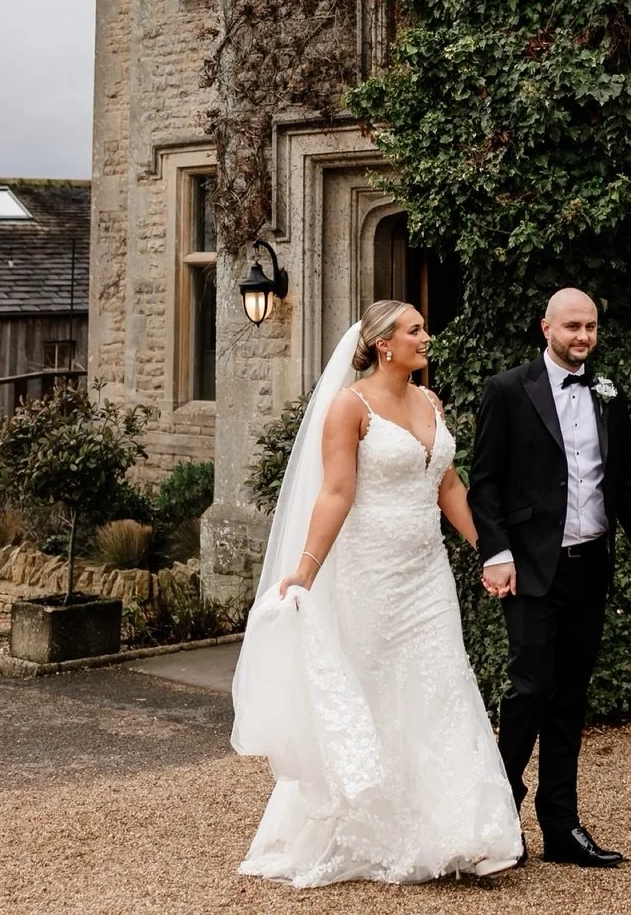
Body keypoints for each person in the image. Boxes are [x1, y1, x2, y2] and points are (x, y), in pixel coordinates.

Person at [230, 300, 522, 886]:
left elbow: (447, 485)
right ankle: (374, 828)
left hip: (427, 572)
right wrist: (305, 570)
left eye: (423, 328)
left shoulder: (430, 402)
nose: (426, 337)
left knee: (443, 684)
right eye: (415, 330)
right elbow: (336, 492)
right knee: (379, 691)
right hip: (372, 574)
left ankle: (464, 834)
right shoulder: (350, 406)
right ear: (384, 344)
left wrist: (489, 550)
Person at [470, 286, 631, 867]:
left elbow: (626, 488)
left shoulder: (609, 394)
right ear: (547, 329)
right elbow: (484, 484)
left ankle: (561, 828)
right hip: (532, 568)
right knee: (530, 690)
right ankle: (497, 818)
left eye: (590, 327)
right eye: (572, 327)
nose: (583, 337)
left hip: (591, 567)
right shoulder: (507, 390)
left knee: (569, 698)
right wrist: (496, 552)